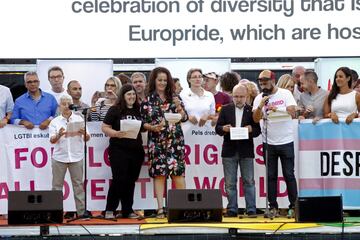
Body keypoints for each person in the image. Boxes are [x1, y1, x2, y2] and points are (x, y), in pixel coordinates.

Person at [140, 67, 188, 218]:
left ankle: (183, 208)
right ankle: (160, 208)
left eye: (165, 80)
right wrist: (153, 127)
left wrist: (179, 106)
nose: (162, 83)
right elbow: (142, 124)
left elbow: (185, 118)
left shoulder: (175, 98)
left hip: (175, 141)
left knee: (178, 174)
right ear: (154, 80)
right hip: (157, 141)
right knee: (159, 175)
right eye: (159, 80)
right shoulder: (147, 100)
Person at [252, 70, 298, 218]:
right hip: (268, 142)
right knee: (270, 175)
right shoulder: (260, 97)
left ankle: (294, 206)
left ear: (273, 80)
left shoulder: (285, 94)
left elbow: (293, 112)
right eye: (260, 82)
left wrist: (276, 108)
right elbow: (255, 118)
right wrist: (260, 105)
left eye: (265, 81)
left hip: (286, 141)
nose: (263, 84)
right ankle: (273, 207)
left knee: (289, 174)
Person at [215, 84, 261, 218]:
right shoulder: (225, 109)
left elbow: (257, 130)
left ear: (246, 96)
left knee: (249, 181)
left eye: (241, 96)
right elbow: (217, 128)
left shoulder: (252, 110)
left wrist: (251, 129)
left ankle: (251, 209)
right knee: (230, 183)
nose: (239, 99)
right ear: (232, 96)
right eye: (236, 96)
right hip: (229, 150)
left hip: (246, 151)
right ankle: (232, 209)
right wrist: (224, 128)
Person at [101, 84, 145, 219]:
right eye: (128, 94)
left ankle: (127, 210)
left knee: (131, 181)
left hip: (136, 150)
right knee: (119, 179)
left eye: (133, 94)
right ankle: (109, 210)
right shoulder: (115, 110)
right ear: (123, 96)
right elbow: (104, 127)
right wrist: (115, 133)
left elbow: (143, 128)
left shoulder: (139, 110)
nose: (131, 97)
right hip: (118, 150)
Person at [49, 95, 91, 219]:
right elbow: (52, 140)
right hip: (59, 157)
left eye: (69, 103)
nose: (66, 106)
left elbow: (87, 138)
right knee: (57, 186)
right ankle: (55, 213)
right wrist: (58, 135)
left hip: (76, 156)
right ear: (59, 106)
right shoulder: (55, 122)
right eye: (63, 103)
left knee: (78, 185)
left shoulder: (79, 119)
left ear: (72, 104)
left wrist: (83, 133)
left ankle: (81, 213)